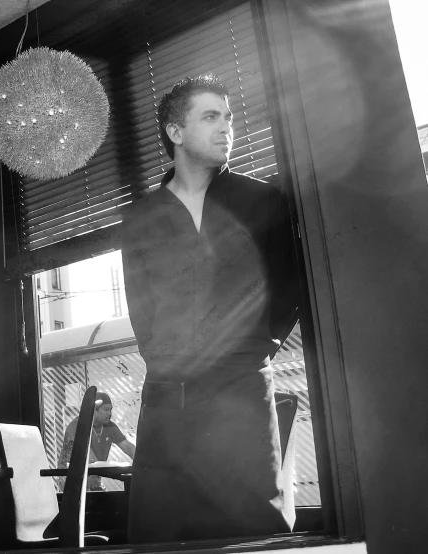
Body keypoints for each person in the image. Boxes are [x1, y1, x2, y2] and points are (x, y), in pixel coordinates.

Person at [121, 74, 300, 543]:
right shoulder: (141, 217)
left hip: (241, 390)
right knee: (158, 530)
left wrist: (261, 346)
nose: (226, 128)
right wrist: (160, 355)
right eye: (210, 117)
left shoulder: (263, 201)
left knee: (252, 527)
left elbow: (288, 285)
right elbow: (139, 300)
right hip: (165, 397)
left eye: (229, 118)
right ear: (174, 132)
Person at [58, 391, 136, 491]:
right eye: (106, 409)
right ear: (94, 410)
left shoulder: (109, 426)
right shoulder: (77, 425)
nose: (110, 413)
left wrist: (143, 464)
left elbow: (127, 447)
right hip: (70, 479)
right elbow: (91, 460)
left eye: (110, 409)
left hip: (93, 476)